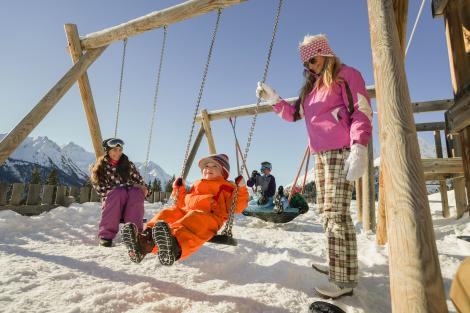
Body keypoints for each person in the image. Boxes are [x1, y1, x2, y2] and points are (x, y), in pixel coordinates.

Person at [256, 34, 372, 298]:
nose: (309, 65)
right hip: (320, 155)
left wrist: (359, 146)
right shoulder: (311, 88)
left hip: (341, 151)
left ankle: (342, 280)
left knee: (335, 214)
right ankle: (342, 266)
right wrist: (273, 98)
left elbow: (361, 110)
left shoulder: (346, 75)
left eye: (313, 58)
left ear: (326, 53)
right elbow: (293, 114)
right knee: (327, 212)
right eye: (305, 62)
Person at [121, 153, 249, 266]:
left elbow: (237, 207)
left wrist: (241, 189)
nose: (208, 168)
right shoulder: (197, 184)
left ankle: (173, 247)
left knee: (193, 218)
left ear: (223, 172)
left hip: (210, 217)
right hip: (186, 211)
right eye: (206, 166)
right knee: (168, 213)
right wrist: (179, 189)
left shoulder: (227, 187)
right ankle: (144, 241)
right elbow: (182, 203)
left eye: (214, 166)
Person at [90, 138, 148, 247]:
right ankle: (106, 236)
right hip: (113, 201)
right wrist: (126, 186)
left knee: (136, 192)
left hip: (130, 202)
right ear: (107, 150)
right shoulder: (101, 167)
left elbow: (140, 184)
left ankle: (134, 234)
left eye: (120, 150)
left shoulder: (128, 165)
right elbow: (101, 189)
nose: (118, 153)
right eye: (114, 150)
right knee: (118, 192)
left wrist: (142, 189)